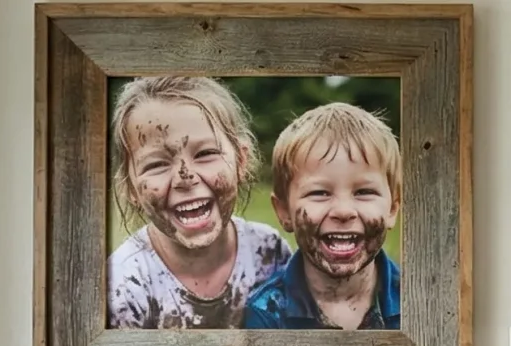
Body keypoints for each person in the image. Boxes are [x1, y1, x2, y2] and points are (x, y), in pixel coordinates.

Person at [107, 75, 291, 329]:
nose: (185, 177)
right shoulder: (122, 287)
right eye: (157, 164)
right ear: (131, 189)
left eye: (205, 153)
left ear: (240, 161)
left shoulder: (269, 254)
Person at [243, 103, 402, 330]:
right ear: (284, 211)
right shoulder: (264, 315)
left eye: (364, 192)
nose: (343, 211)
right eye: (319, 193)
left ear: (393, 209)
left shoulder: (422, 303)